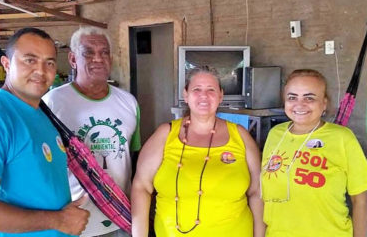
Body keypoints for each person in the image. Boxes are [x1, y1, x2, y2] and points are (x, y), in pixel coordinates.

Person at [0, 28, 90, 237]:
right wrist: (59, 221)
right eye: (30, 60)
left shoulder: (40, 113)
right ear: (6, 64)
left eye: (49, 62)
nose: (41, 71)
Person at [131, 67, 265, 237]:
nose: (204, 95)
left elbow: (256, 192)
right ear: (185, 95)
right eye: (197, 89)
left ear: (220, 95)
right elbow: (141, 186)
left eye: (211, 90)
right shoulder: (166, 134)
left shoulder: (240, 135)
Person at [43, 26, 141, 237]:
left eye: (104, 52)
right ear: (72, 59)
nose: (98, 58)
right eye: (88, 52)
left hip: (118, 216)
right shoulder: (52, 103)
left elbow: (133, 157)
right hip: (72, 219)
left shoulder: (129, 103)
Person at [260, 69, 367, 237]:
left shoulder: (342, 138)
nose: (299, 104)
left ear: (324, 103)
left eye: (309, 98)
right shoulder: (276, 134)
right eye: (292, 97)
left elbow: (360, 199)